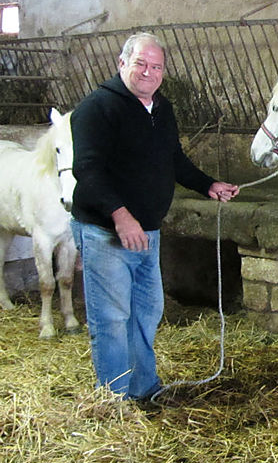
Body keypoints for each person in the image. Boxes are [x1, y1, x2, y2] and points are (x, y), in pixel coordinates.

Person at [70, 32, 239, 401]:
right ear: (121, 64)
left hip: (148, 231)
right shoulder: (96, 109)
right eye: (140, 64)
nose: (149, 72)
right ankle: (115, 402)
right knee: (112, 319)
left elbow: (173, 159)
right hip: (106, 231)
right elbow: (88, 170)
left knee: (147, 311)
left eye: (156, 66)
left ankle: (144, 391)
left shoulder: (161, 109)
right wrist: (121, 217)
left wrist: (208, 184)